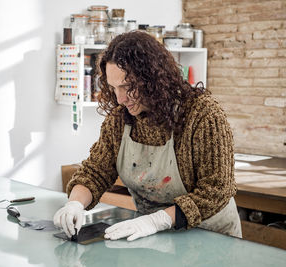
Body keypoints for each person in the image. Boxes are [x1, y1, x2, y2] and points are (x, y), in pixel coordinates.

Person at [53, 31, 242, 241]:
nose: (120, 98)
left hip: (211, 238)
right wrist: (75, 203)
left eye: (127, 87)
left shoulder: (202, 115)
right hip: (155, 237)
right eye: (113, 88)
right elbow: (95, 171)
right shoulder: (120, 119)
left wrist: (155, 220)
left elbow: (216, 191)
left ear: (152, 78)